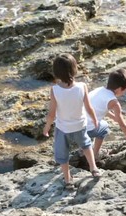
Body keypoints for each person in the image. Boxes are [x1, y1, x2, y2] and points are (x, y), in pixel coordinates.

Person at [43, 53, 101, 189]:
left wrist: (46, 127)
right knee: (86, 145)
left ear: (56, 72)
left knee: (63, 154)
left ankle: (68, 180)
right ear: (74, 69)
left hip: (63, 128)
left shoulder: (55, 90)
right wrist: (94, 119)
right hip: (79, 125)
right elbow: (88, 106)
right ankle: (94, 168)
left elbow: (52, 113)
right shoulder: (82, 86)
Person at [86, 68, 126, 160]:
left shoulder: (99, 90)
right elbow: (122, 125)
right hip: (85, 130)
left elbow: (99, 108)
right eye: (125, 90)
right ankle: (95, 154)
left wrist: (113, 117)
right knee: (104, 127)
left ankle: (85, 146)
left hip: (75, 124)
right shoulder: (114, 102)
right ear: (119, 89)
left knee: (96, 123)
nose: (125, 92)